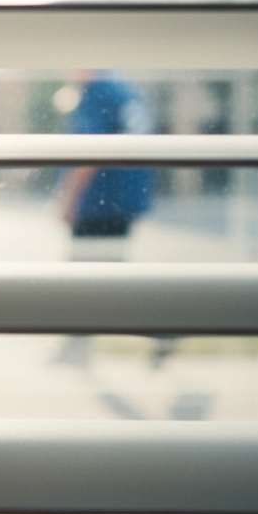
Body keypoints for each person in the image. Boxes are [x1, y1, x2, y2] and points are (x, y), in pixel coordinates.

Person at [53, 71, 172, 367]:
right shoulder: (124, 88)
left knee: (94, 272)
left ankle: (166, 324)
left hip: (101, 199)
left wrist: (68, 198)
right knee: (102, 269)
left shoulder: (97, 92)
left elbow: (88, 152)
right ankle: (77, 343)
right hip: (124, 197)